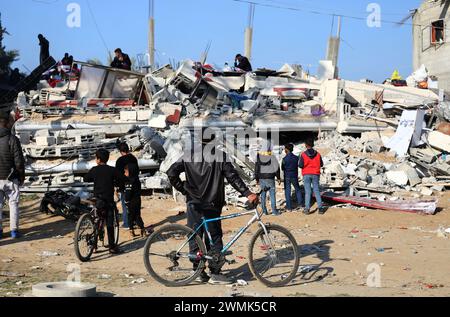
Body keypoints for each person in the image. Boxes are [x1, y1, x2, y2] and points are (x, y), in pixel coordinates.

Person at [167, 129, 258, 285]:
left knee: (195, 235)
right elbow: (233, 177)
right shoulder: (220, 155)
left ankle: (198, 270)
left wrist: (184, 190)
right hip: (212, 203)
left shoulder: (189, 154)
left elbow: (171, 173)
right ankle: (215, 272)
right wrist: (247, 193)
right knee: (214, 236)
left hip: (194, 203)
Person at [84, 149, 126, 254]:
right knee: (110, 223)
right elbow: (123, 178)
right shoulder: (112, 170)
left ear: (98, 159)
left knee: (96, 221)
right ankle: (112, 247)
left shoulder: (94, 170)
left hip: (97, 200)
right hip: (108, 201)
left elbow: (86, 178)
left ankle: (94, 245)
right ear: (106, 159)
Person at [0, 112, 25, 239]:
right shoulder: (12, 139)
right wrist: (21, 176)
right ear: (6, 123)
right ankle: (14, 231)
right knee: (13, 203)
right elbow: (19, 161)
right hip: (11, 178)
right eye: (10, 121)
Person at [299, 139, 326, 215]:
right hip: (315, 174)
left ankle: (307, 209)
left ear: (306, 145)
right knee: (316, 191)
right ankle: (320, 208)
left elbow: (300, 165)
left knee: (308, 192)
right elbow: (321, 164)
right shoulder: (318, 154)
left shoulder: (303, 154)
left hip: (306, 174)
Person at [115, 143, 138, 229]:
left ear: (121, 151)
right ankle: (135, 221)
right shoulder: (134, 158)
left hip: (124, 185)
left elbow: (117, 175)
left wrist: (117, 186)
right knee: (134, 204)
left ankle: (127, 223)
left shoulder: (120, 160)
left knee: (125, 205)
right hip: (135, 184)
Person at [255, 143, 281, 216]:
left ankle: (264, 211)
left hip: (261, 178)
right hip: (270, 178)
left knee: (263, 194)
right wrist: (278, 177)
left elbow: (256, 168)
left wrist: (257, 178)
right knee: (272, 194)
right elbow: (276, 167)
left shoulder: (258, 156)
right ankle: (274, 211)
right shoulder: (272, 156)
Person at [123, 163, 146, 239]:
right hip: (138, 200)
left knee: (130, 216)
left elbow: (128, 193)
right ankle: (142, 229)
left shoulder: (128, 181)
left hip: (131, 202)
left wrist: (126, 200)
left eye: (126, 172)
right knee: (138, 215)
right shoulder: (137, 180)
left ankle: (132, 231)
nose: (125, 174)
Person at [282, 144, 303, 212]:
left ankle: (289, 207)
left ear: (287, 149)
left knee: (287, 191)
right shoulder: (296, 158)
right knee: (297, 189)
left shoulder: (284, 159)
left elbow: (282, 168)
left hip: (287, 176)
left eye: (285, 149)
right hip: (294, 175)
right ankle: (300, 205)